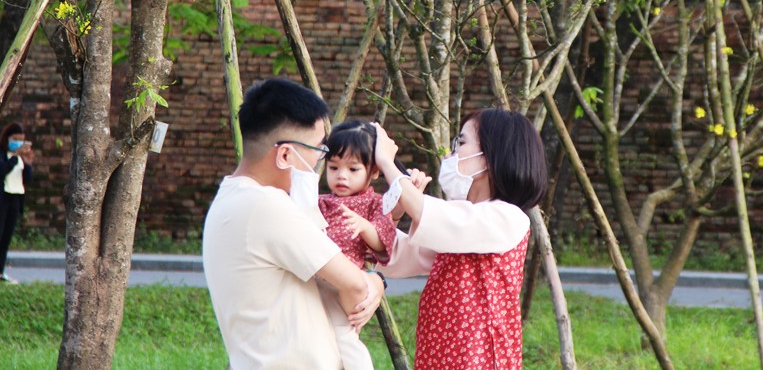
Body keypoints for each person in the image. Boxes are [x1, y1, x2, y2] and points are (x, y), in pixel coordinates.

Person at [201, 78, 385, 369]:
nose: (319, 162)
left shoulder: (230, 198)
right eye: (318, 151)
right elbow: (354, 286)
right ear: (285, 154)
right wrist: (375, 281)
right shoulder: (267, 207)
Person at [373, 108, 548, 370]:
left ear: (489, 157)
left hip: (480, 360)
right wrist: (397, 210)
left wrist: (388, 164)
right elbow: (393, 256)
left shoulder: (508, 218)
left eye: (461, 143)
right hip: (440, 356)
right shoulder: (463, 220)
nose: (450, 154)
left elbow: (433, 215)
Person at [318, 120, 429, 370]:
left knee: (345, 335)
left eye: (353, 169)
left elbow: (384, 243)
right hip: (320, 275)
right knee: (326, 335)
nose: (341, 175)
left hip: (349, 279)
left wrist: (364, 226)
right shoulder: (321, 202)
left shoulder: (375, 204)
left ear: (374, 172)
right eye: (333, 167)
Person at [0, 121, 34, 284]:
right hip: (0, 199)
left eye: (21, 139)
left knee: (6, 237)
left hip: (15, 198)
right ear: (7, 138)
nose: (18, 142)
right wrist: (15, 157)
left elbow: (27, 179)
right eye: (15, 139)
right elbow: (0, 170)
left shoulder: (20, 157)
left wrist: (28, 164)